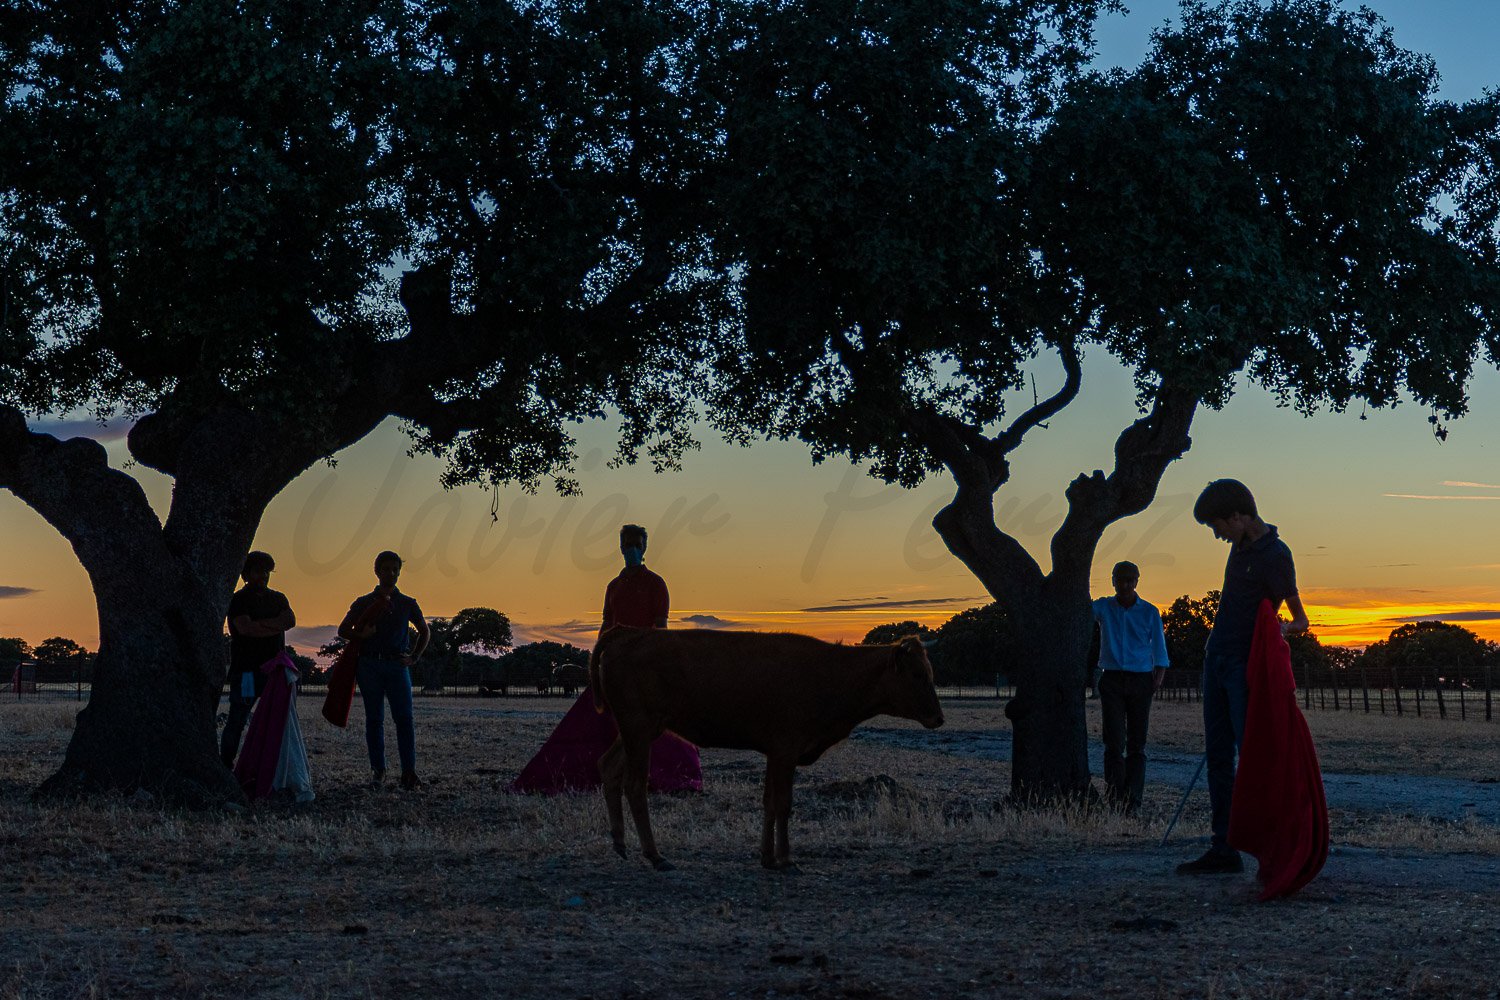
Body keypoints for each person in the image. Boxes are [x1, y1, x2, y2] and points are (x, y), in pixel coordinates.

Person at [509, 524, 702, 794]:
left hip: (644, 664)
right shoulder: (613, 586)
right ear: (620, 547)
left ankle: (663, 776)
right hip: (615, 664)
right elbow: (605, 625)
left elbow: (661, 629)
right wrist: (598, 659)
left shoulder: (656, 584)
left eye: (636, 544)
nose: (631, 549)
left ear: (644, 548)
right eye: (627, 544)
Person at [1177, 480, 1308, 875]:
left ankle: (1269, 849)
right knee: (1218, 756)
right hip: (1213, 658)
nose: (1217, 535)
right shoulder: (1240, 546)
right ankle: (1225, 848)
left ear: (1238, 516)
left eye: (1218, 526)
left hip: (1241, 667)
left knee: (1250, 756)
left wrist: (1278, 631)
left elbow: (1301, 620)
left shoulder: (1276, 556)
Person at [338, 551, 430, 790]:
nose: (390, 573)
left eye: (394, 569)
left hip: (397, 665)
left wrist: (414, 657)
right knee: (374, 719)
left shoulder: (408, 603)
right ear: (377, 571)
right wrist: (361, 635)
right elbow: (343, 629)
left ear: (399, 572)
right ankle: (378, 771)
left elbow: (424, 631)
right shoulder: (363, 602)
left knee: (404, 719)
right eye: (385, 569)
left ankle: (408, 772)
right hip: (369, 665)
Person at [1091, 560, 1169, 816]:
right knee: (1113, 742)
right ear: (1113, 580)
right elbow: (1082, 611)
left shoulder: (1149, 612)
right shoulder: (1103, 607)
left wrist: (1158, 674)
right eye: (1120, 579)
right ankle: (1115, 798)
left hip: (1140, 679)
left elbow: (1158, 644)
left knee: (1137, 743)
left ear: (1137, 581)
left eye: (1130, 580)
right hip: (1112, 678)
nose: (1125, 584)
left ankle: (1133, 801)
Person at [222, 551, 295, 768]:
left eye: (266, 571)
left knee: (278, 721)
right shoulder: (238, 599)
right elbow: (245, 629)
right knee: (238, 718)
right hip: (246, 672)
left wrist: (258, 626)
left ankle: (270, 769)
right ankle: (226, 766)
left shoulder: (278, 597)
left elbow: (289, 621)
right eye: (257, 571)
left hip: (274, 671)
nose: (263, 575)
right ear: (246, 573)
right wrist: (274, 625)